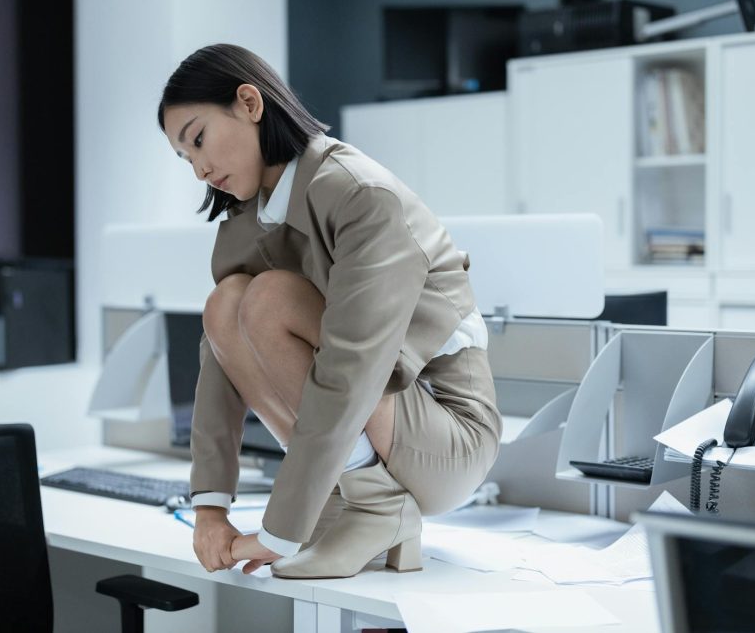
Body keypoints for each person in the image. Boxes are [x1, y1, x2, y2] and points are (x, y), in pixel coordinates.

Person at [158, 44, 502, 579]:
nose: (200, 169)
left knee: (269, 298)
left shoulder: (359, 193)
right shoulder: (246, 224)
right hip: (378, 430)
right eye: (185, 159)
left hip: (447, 438)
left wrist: (280, 527)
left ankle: (377, 507)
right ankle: (351, 498)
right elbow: (220, 360)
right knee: (226, 305)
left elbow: (352, 367)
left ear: (250, 103)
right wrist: (209, 508)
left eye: (198, 139)